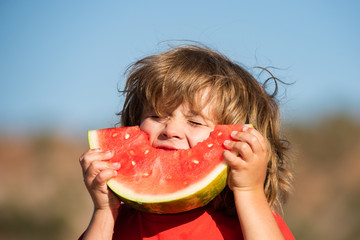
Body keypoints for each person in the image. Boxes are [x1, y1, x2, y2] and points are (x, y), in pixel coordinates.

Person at [79, 44, 295, 240]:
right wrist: (104, 210)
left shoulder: (252, 223)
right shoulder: (118, 223)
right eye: (155, 116)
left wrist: (249, 191)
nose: (170, 130)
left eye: (194, 122)